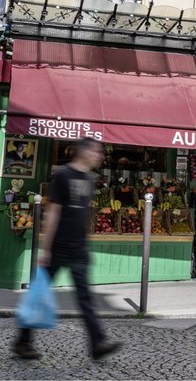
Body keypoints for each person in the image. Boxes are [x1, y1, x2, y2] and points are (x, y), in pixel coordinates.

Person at [12, 137, 122, 361]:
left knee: (85, 298)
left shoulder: (90, 179)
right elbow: (53, 212)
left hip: (78, 248)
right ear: (83, 152)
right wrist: (46, 248)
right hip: (59, 247)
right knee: (39, 294)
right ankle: (23, 342)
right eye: (96, 152)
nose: (100, 156)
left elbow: (81, 216)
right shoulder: (63, 175)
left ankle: (97, 344)